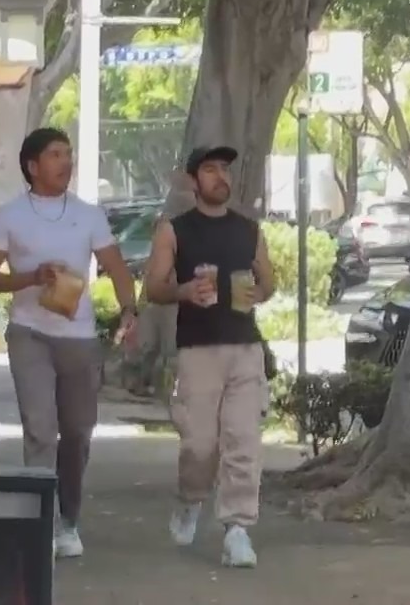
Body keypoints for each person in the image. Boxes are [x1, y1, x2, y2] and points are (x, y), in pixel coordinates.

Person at [0, 127, 139, 559]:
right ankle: (41, 521)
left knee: (79, 433)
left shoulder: (89, 215)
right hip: (30, 334)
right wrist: (33, 276)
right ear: (33, 166)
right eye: (55, 155)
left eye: (68, 154)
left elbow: (116, 267)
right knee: (41, 429)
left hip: (79, 339)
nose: (66, 162)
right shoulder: (8, 216)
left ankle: (69, 520)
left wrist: (128, 309)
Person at [144, 145, 275, 569]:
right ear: (192, 180)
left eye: (225, 169)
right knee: (200, 446)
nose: (221, 176)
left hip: (244, 347)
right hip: (198, 350)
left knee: (243, 442)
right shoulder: (174, 230)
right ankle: (190, 499)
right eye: (211, 169)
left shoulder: (248, 229)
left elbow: (268, 280)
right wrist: (183, 291)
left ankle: (238, 528)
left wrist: (261, 291)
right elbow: (154, 288)